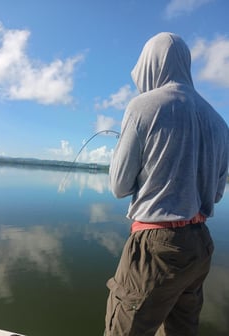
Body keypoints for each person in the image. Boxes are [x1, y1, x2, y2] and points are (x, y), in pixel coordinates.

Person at [104, 32, 229, 336]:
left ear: (150, 65)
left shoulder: (142, 107)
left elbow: (119, 186)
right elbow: (216, 193)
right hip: (200, 244)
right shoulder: (220, 122)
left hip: (155, 247)